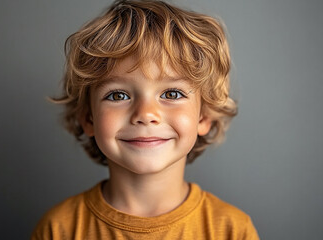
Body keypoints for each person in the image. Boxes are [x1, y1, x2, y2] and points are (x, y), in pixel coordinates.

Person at [31, 0, 259, 239]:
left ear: (204, 116)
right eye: (118, 95)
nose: (146, 114)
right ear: (88, 118)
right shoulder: (58, 230)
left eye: (172, 94)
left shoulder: (233, 230)